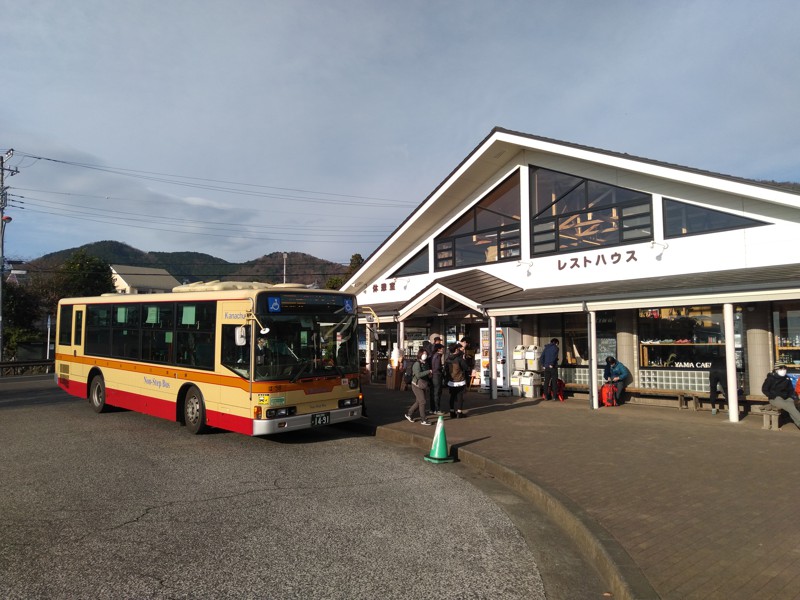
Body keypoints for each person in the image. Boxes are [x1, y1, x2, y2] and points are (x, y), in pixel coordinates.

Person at [761, 362, 800, 430]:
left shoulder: (787, 379)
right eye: (781, 368)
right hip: (775, 399)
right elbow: (764, 389)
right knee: (790, 407)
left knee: (791, 406)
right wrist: (772, 395)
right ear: (776, 369)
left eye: (785, 368)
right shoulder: (770, 378)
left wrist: (791, 397)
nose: (783, 370)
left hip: (786, 398)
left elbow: (791, 390)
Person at [405, 348, 432, 425]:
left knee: (418, 401)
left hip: (423, 384)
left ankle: (409, 414)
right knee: (422, 401)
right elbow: (418, 375)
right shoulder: (417, 364)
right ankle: (423, 419)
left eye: (426, 354)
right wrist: (428, 371)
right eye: (423, 353)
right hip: (416, 385)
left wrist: (429, 375)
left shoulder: (425, 363)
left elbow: (425, 374)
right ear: (420, 354)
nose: (425, 355)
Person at [446, 343, 469, 418]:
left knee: (452, 396)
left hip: (451, 381)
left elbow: (446, 370)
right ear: (456, 349)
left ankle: (452, 411)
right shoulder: (459, 359)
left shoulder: (448, 359)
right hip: (459, 380)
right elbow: (466, 367)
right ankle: (459, 412)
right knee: (460, 396)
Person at [429, 343, 445, 414]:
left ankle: (432, 409)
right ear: (439, 349)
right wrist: (442, 368)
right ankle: (437, 409)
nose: (443, 350)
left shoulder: (432, 355)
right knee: (437, 393)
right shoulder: (438, 356)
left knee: (432, 393)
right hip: (437, 376)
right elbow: (437, 367)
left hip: (432, 376)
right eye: (442, 348)